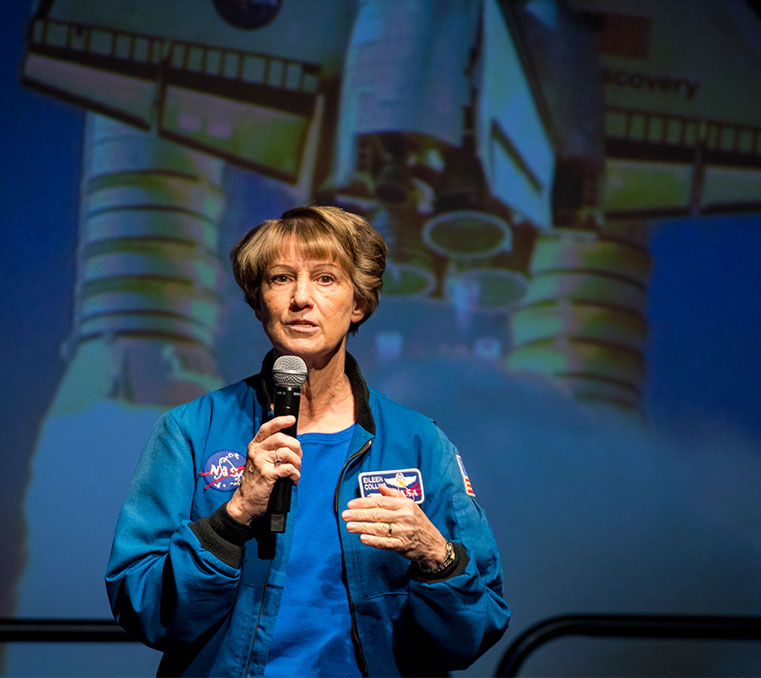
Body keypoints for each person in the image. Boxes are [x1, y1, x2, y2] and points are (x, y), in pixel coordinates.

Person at [105, 205, 510, 676]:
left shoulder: (420, 442)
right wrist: (231, 521)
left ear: (358, 303)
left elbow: (476, 630)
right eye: (280, 279)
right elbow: (142, 608)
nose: (301, 298)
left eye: (325, 279)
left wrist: (436, 557)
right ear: (258, 303)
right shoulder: (190, 430)